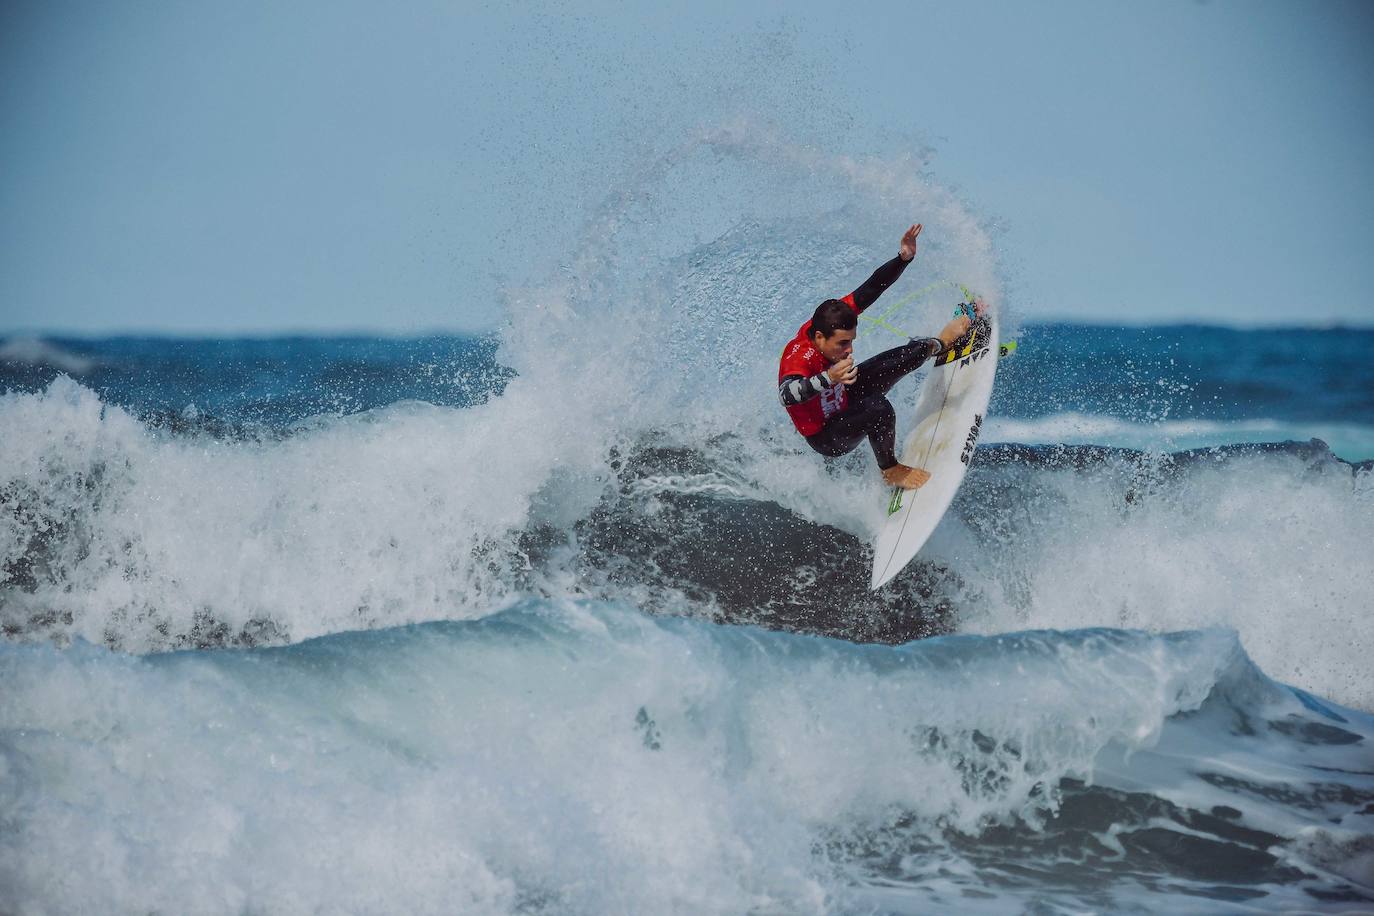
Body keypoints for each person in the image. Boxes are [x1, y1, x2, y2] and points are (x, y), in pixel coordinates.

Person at [777, 223, 980, 489]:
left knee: (911, 352)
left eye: (851, 341)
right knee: (878, 408)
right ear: (819, 337)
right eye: (842, 343)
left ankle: (942, 343)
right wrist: (829, 378)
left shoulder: (833, 318)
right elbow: (787, 395)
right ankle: (890, 470)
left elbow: (872, 287)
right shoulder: (798, 357)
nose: (849, 350)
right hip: (828, 435)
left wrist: (903, 258)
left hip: (844, 396)